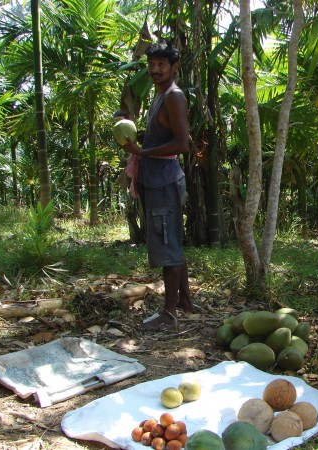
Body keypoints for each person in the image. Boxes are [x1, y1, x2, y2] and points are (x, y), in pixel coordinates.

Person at [121, 40, 193, 331]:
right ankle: (185, 302)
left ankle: (169, 313)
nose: (155, 69)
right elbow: (163, 135)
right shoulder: (160, 96)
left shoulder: (174, 97)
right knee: (171, 240)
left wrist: (142, 152)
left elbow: (182, 143)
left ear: (174, 67)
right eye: (151, 65)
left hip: (164, 179)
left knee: (168, 246)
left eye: (161, 65)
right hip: (157, 178)